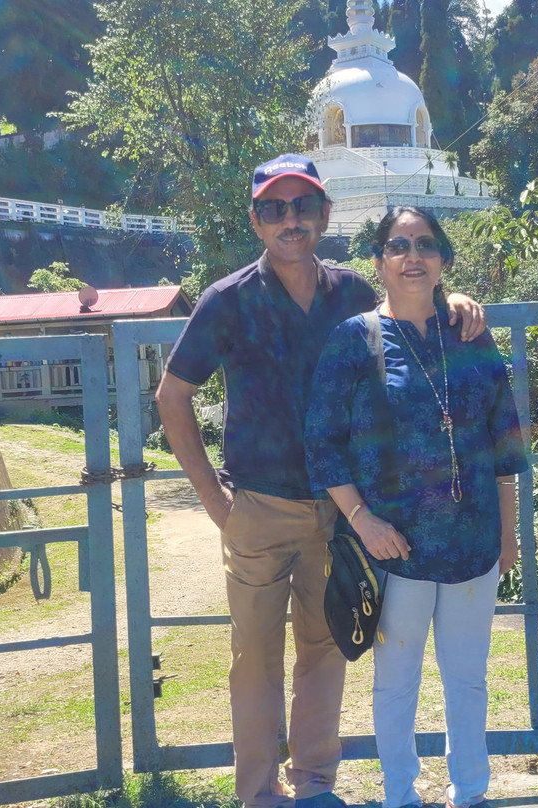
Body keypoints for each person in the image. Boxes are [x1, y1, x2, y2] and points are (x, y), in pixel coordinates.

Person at [155, 156, 486, 808]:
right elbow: (173, 397)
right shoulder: (229, 299)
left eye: (302, 207)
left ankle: (313, 788)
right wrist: (215, 501)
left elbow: (411, 309)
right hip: (257, 506)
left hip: (340, 512)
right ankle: (259, 794)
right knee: (254, 660)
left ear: (324, 216)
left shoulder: (353, 294)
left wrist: (456, 301)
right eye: (274, 209)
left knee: (326, 649)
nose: (290, 220)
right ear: (255, 220)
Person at [304, 206, 529, 808]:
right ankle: (400, 794)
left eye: (425, 245)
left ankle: (471, 792)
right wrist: (361, 519)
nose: (412, 256)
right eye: (398, 245)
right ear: (379, 262)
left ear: (442, 261)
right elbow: (321, 442)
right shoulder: (355, 340)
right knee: (396, 680)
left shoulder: (470, 333)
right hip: (394, 546)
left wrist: (509, 535)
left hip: (474, 540)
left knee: (468, 678)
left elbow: (505, 440)